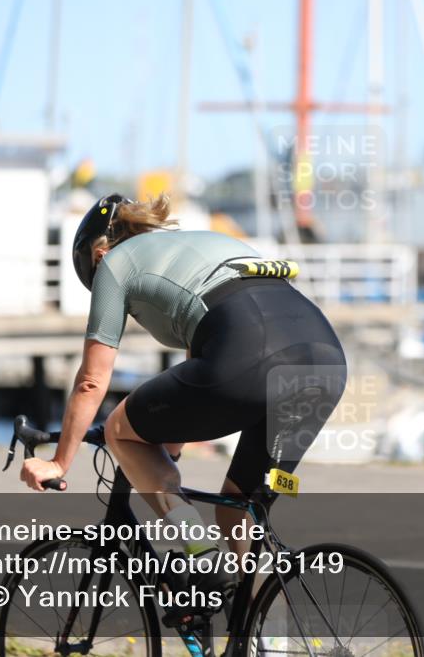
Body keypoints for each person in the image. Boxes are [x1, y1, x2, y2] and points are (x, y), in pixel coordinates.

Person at [20, 193, 347, 597]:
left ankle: (202, 553)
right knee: (236, 509)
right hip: (323, 358)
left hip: (250, 348)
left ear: (98, 254)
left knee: (118, 430)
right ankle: (262, 637)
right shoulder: (204, 245)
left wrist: (59, 462)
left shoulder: (114, 265)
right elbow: (194, 384)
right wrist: (164, 455)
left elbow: (91, 380)